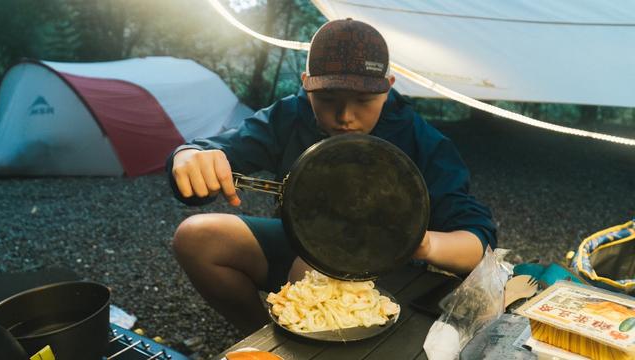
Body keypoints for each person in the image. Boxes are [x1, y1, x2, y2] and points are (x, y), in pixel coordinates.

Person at [167, 19, 497, 335]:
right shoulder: (290, 115)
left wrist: (422, 243)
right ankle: (264, 339)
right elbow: (210, 152)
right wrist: (189, 159)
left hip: (384, 267)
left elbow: (477, 240)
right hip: (302, 243)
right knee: (197, 237)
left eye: (363, 100)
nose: (345, 117)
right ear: (306, 84)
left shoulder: (423, 141)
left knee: (309, 272)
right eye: (327, 99)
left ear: (388, 88)